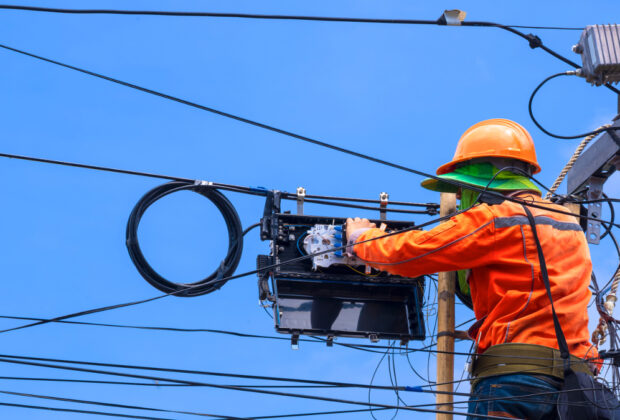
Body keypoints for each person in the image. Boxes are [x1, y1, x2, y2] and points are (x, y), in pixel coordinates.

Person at [345, 118, 597, 419]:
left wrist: (362, 239)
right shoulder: (569, 224)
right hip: (578, 389)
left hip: (513, 381)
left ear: (479, 184)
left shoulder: (494, 219)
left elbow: (412, 252)